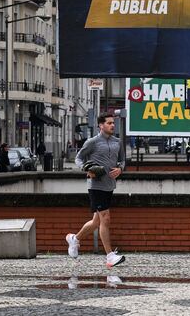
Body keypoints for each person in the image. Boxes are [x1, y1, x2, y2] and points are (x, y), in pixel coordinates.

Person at [66, 113, 126, 268]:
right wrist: (86, 169)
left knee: (96, 222)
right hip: (96, 185)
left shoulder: (117, 142)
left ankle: (74, 238)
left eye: (113, 123)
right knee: (105, 219)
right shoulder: (92, 142)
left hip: (109, 185)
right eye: (109, 123)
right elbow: (78, 158)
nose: (112, 125)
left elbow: (123, 161)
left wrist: (120, 169)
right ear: (101, 125)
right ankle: (110, 256)